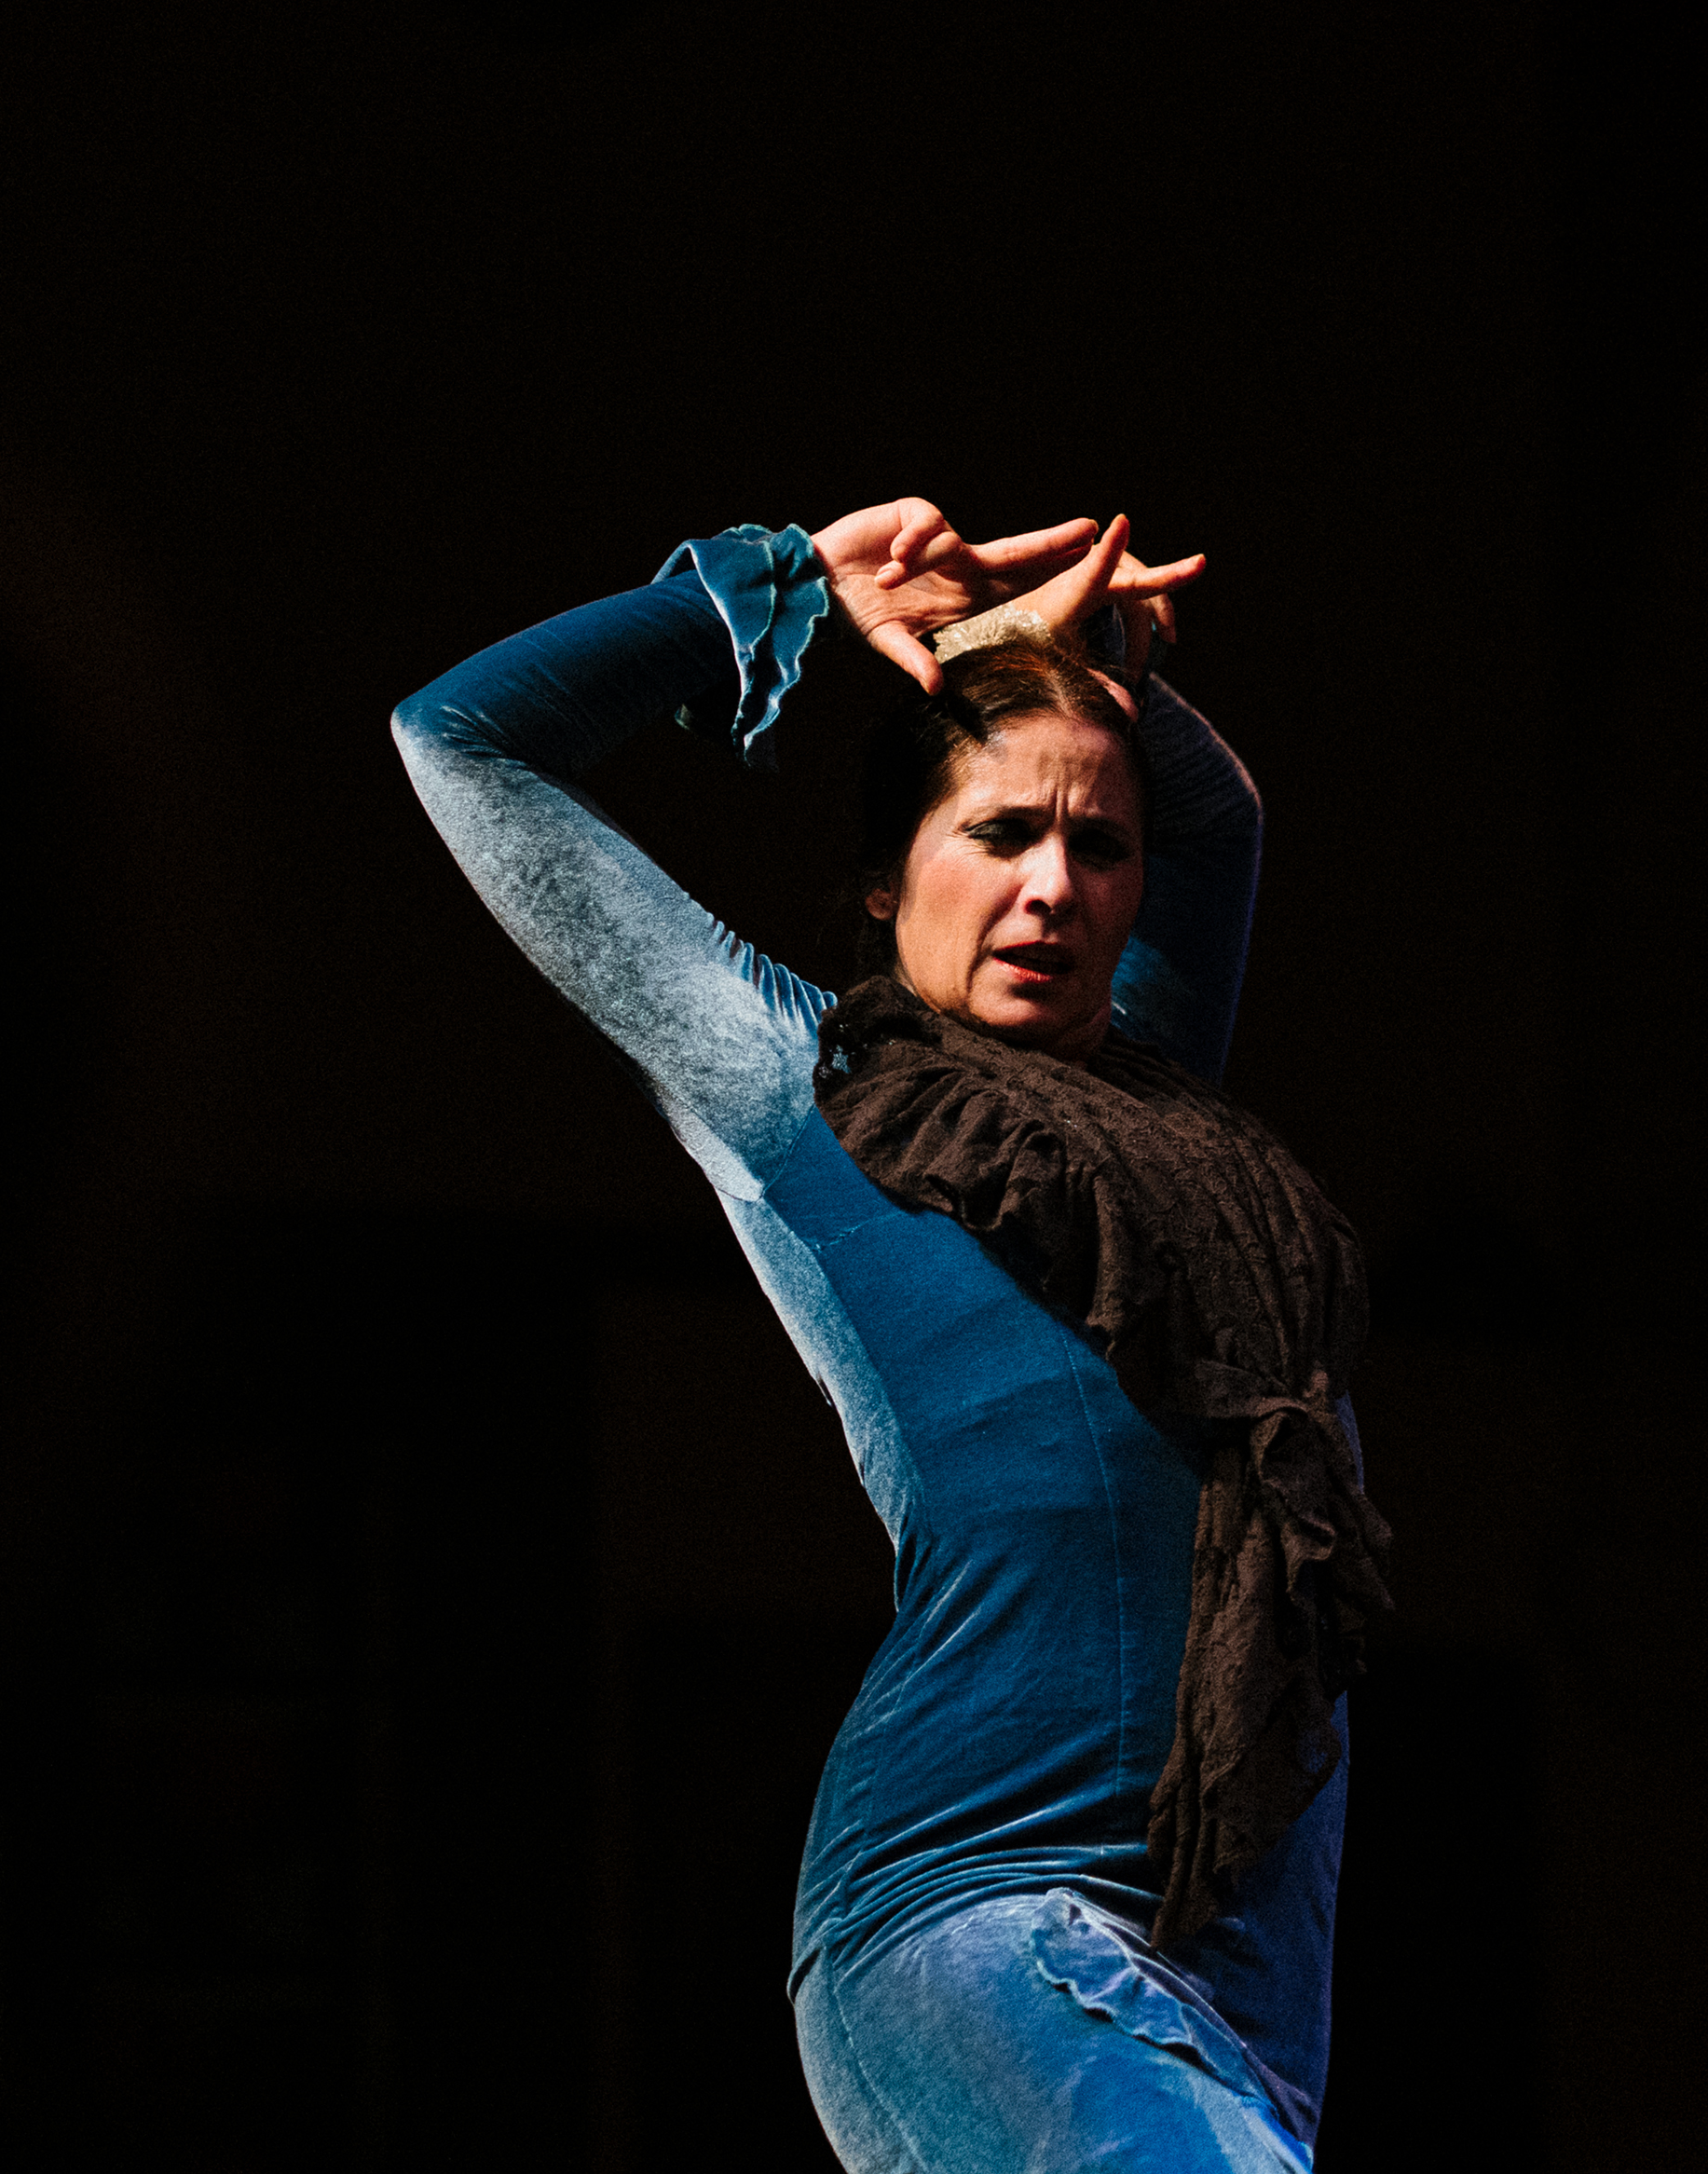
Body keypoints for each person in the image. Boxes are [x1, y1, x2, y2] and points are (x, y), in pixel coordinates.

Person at [391, 500, 1391, 2173]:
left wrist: (1060, 665)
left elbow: (1215, 820)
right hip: (978, 1913)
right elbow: (463, 742)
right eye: (996, 833)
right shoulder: (808, 1096)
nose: (1054, 885)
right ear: (882, 883)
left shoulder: (1154, 1121)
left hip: (1250, 1969)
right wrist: (784, 587)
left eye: (1096, 847)